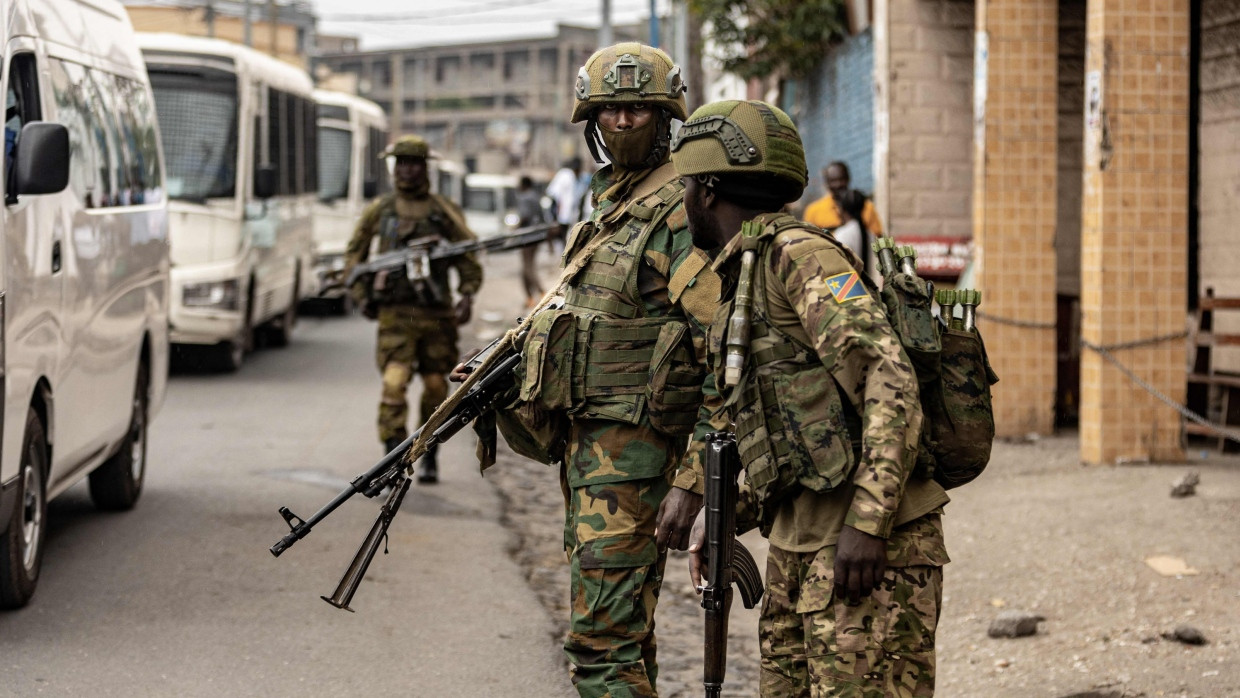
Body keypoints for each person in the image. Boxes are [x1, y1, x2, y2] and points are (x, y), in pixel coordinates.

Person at [461, 42, 718, 697]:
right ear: (591, 120)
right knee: (627, 641)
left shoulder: (680, 215)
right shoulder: (610, 208)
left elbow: (724, 350)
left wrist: (696, 480)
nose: (625, 122)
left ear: (667, 117)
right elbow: (581, 321)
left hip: (635, 464)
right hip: (593, 459)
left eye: (639, 109)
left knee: (601, 649)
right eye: (611, 110)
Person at [672, 100, 950, 696]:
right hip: (799, 548)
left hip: (865, 552)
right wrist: (717, 519)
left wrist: (869, 523)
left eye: (686, 186)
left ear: (708, 189)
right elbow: (787, 428)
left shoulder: (800, 255)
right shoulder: (745, 270)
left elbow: (888, 377)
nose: (683, 202)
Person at [345, 134, 482, 483]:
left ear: (425, 167)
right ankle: (393, 457)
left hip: (436, 315)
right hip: (396, 315)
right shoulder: (382, 209)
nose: (407, 170)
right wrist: (361, 294)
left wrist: (467, 293)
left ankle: (429, 453)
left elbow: (467, 250)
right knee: (394, 383)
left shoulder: (441, 209)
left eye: (413, 163)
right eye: (401, 163)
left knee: (437, 387)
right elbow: (355, 253)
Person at [803, 161, 884, 236]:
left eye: (842, 179)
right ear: (826, 183)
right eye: (833, 181)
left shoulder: (866, 207)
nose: (838, 185)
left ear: (848, 179)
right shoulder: (813, 211)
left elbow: (878, 237)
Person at [515, 175, 547, 307]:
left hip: (527, 237)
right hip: (537, 236)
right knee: (524, 269)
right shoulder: (535, 196)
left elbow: (524, 216)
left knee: (528, 267)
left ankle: (542, 292)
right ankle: (529, 298)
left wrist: (514, 229)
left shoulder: (524, 197)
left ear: (523, 185)